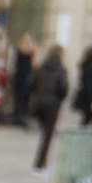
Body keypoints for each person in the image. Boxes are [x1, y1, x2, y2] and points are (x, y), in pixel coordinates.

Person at [30, 43, 69, 171]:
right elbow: (63, 88)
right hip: (52, 105)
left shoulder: (40, 67)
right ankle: (40, 162)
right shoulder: (61, 70)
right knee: (47, 135)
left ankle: (41, 161)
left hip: (39, 103)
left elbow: (30, 84)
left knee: (44, 133)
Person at [10, 34, 36, 127]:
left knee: (26, 99)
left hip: (28, 78)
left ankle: (23, 117)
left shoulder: (32, 52)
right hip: (20, 77)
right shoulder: (18, 51)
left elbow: (34, 65)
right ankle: (17, 117)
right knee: (18, 98)